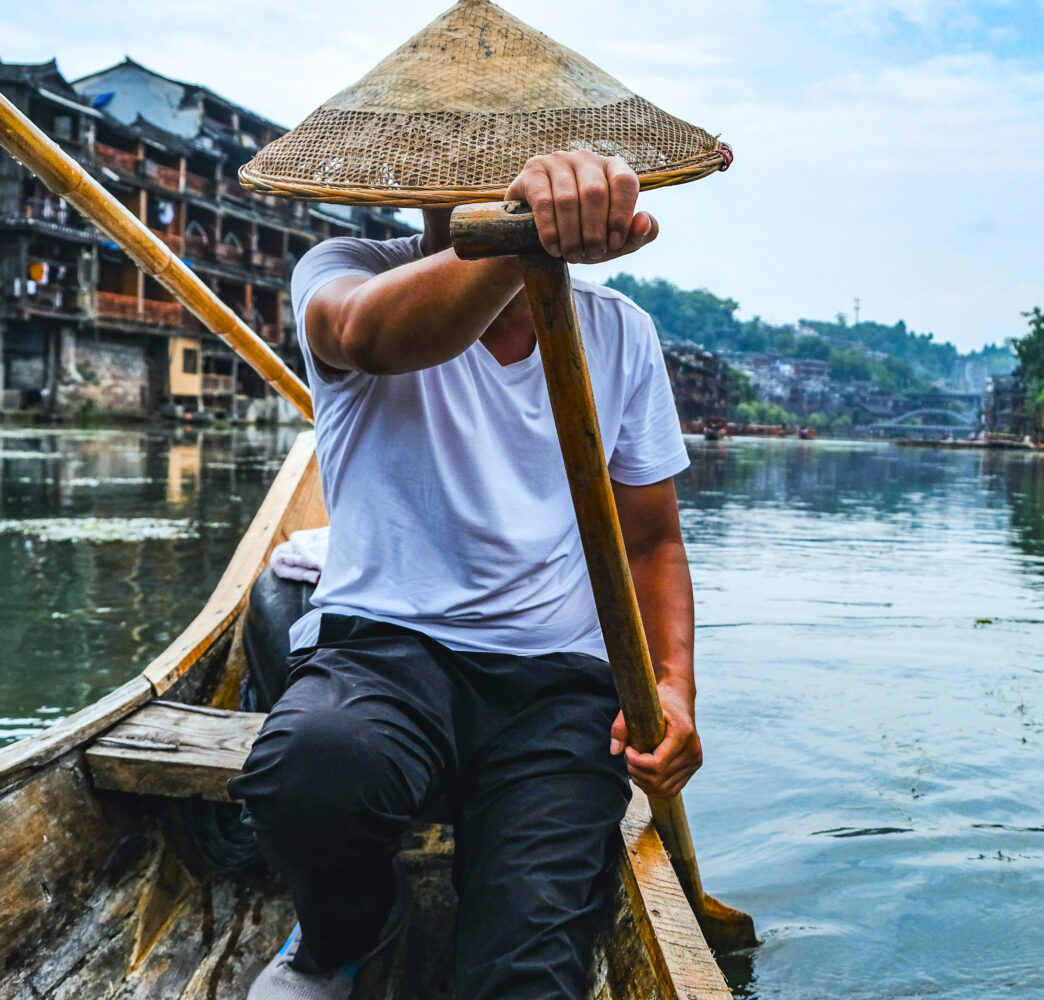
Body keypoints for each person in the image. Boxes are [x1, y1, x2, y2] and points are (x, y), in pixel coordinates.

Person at [229, 3, 732, 998]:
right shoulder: (343, 272)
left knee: (527, 971)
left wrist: (672, 688)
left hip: (556, 689)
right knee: (308, 773)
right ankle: (343, 931)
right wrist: (519, 245)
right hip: (385, 652)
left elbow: (650, 541)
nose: (488, 181)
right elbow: (369, 336)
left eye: (517, 175)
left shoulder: (620, 333)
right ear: (412, 184)